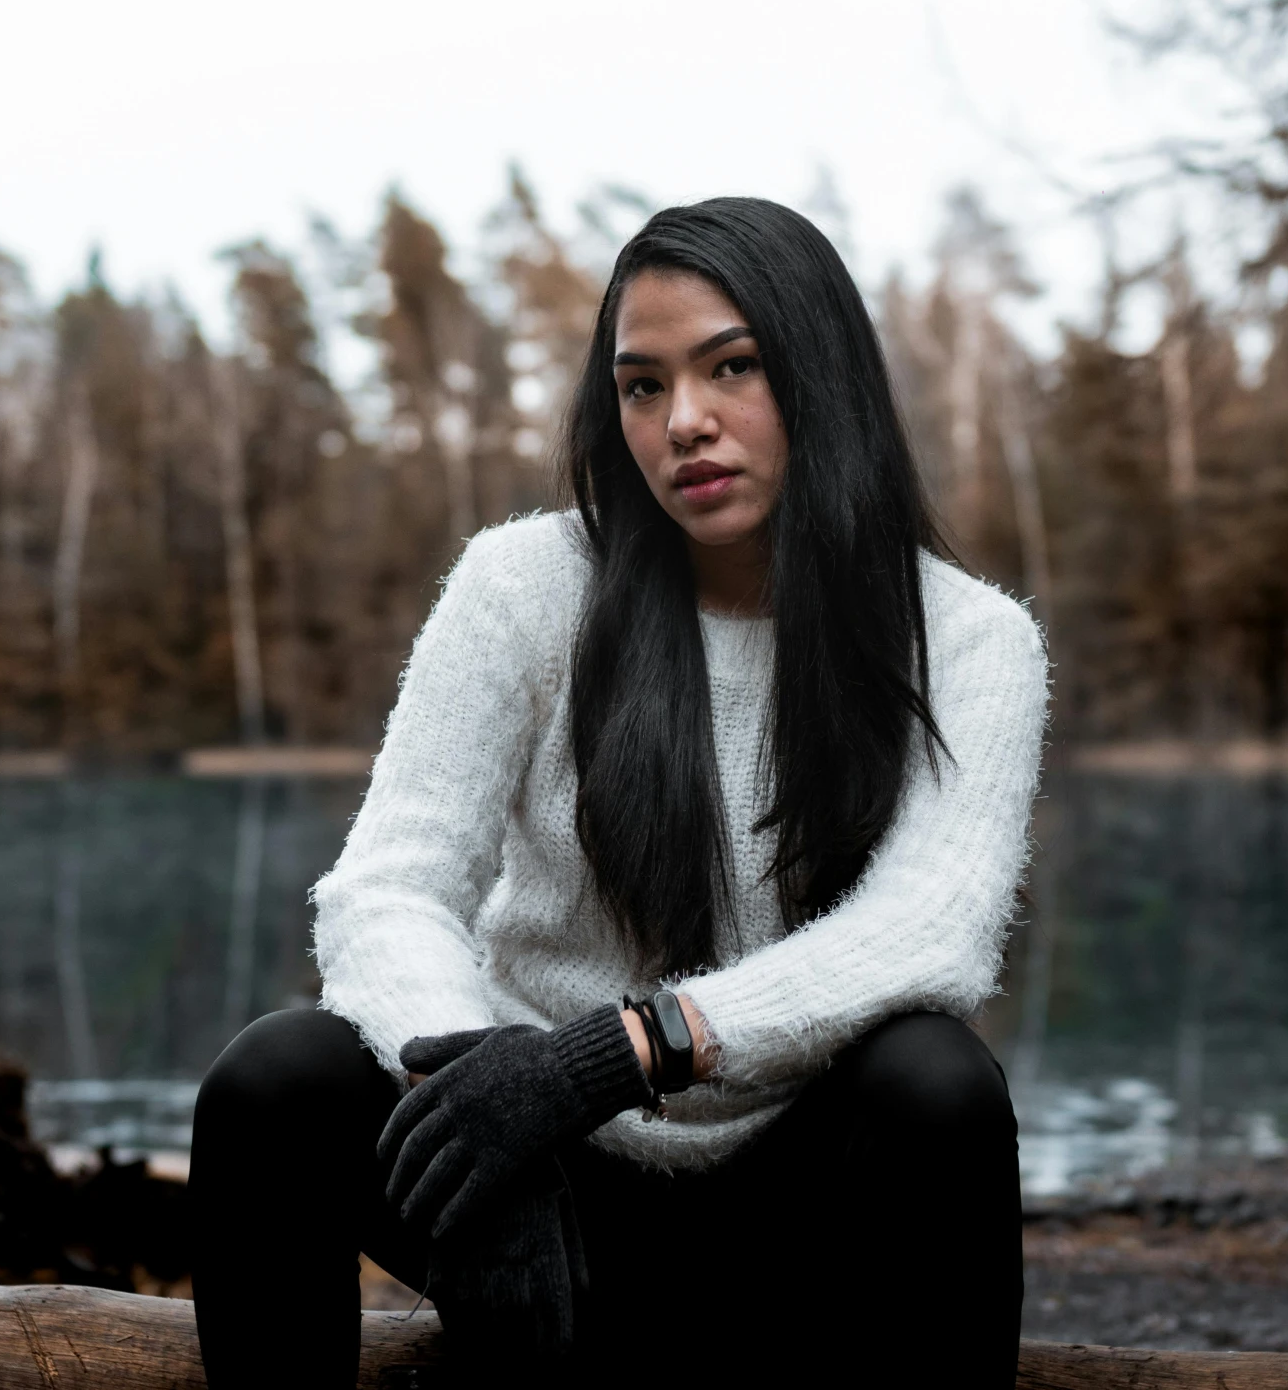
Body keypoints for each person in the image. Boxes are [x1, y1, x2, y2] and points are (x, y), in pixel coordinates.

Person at [191, 196, 1049, 1388]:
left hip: (802, 1214)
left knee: (938, 1085)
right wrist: (481, 1101)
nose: (683, 423)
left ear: (822, 374)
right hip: (547, 1190)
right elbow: (387, 886)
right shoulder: (523, 584)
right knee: (272, 1080)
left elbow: (928, 930)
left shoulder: (964, 638)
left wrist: (622, 1051)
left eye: (731, 368)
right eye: (641, 386)